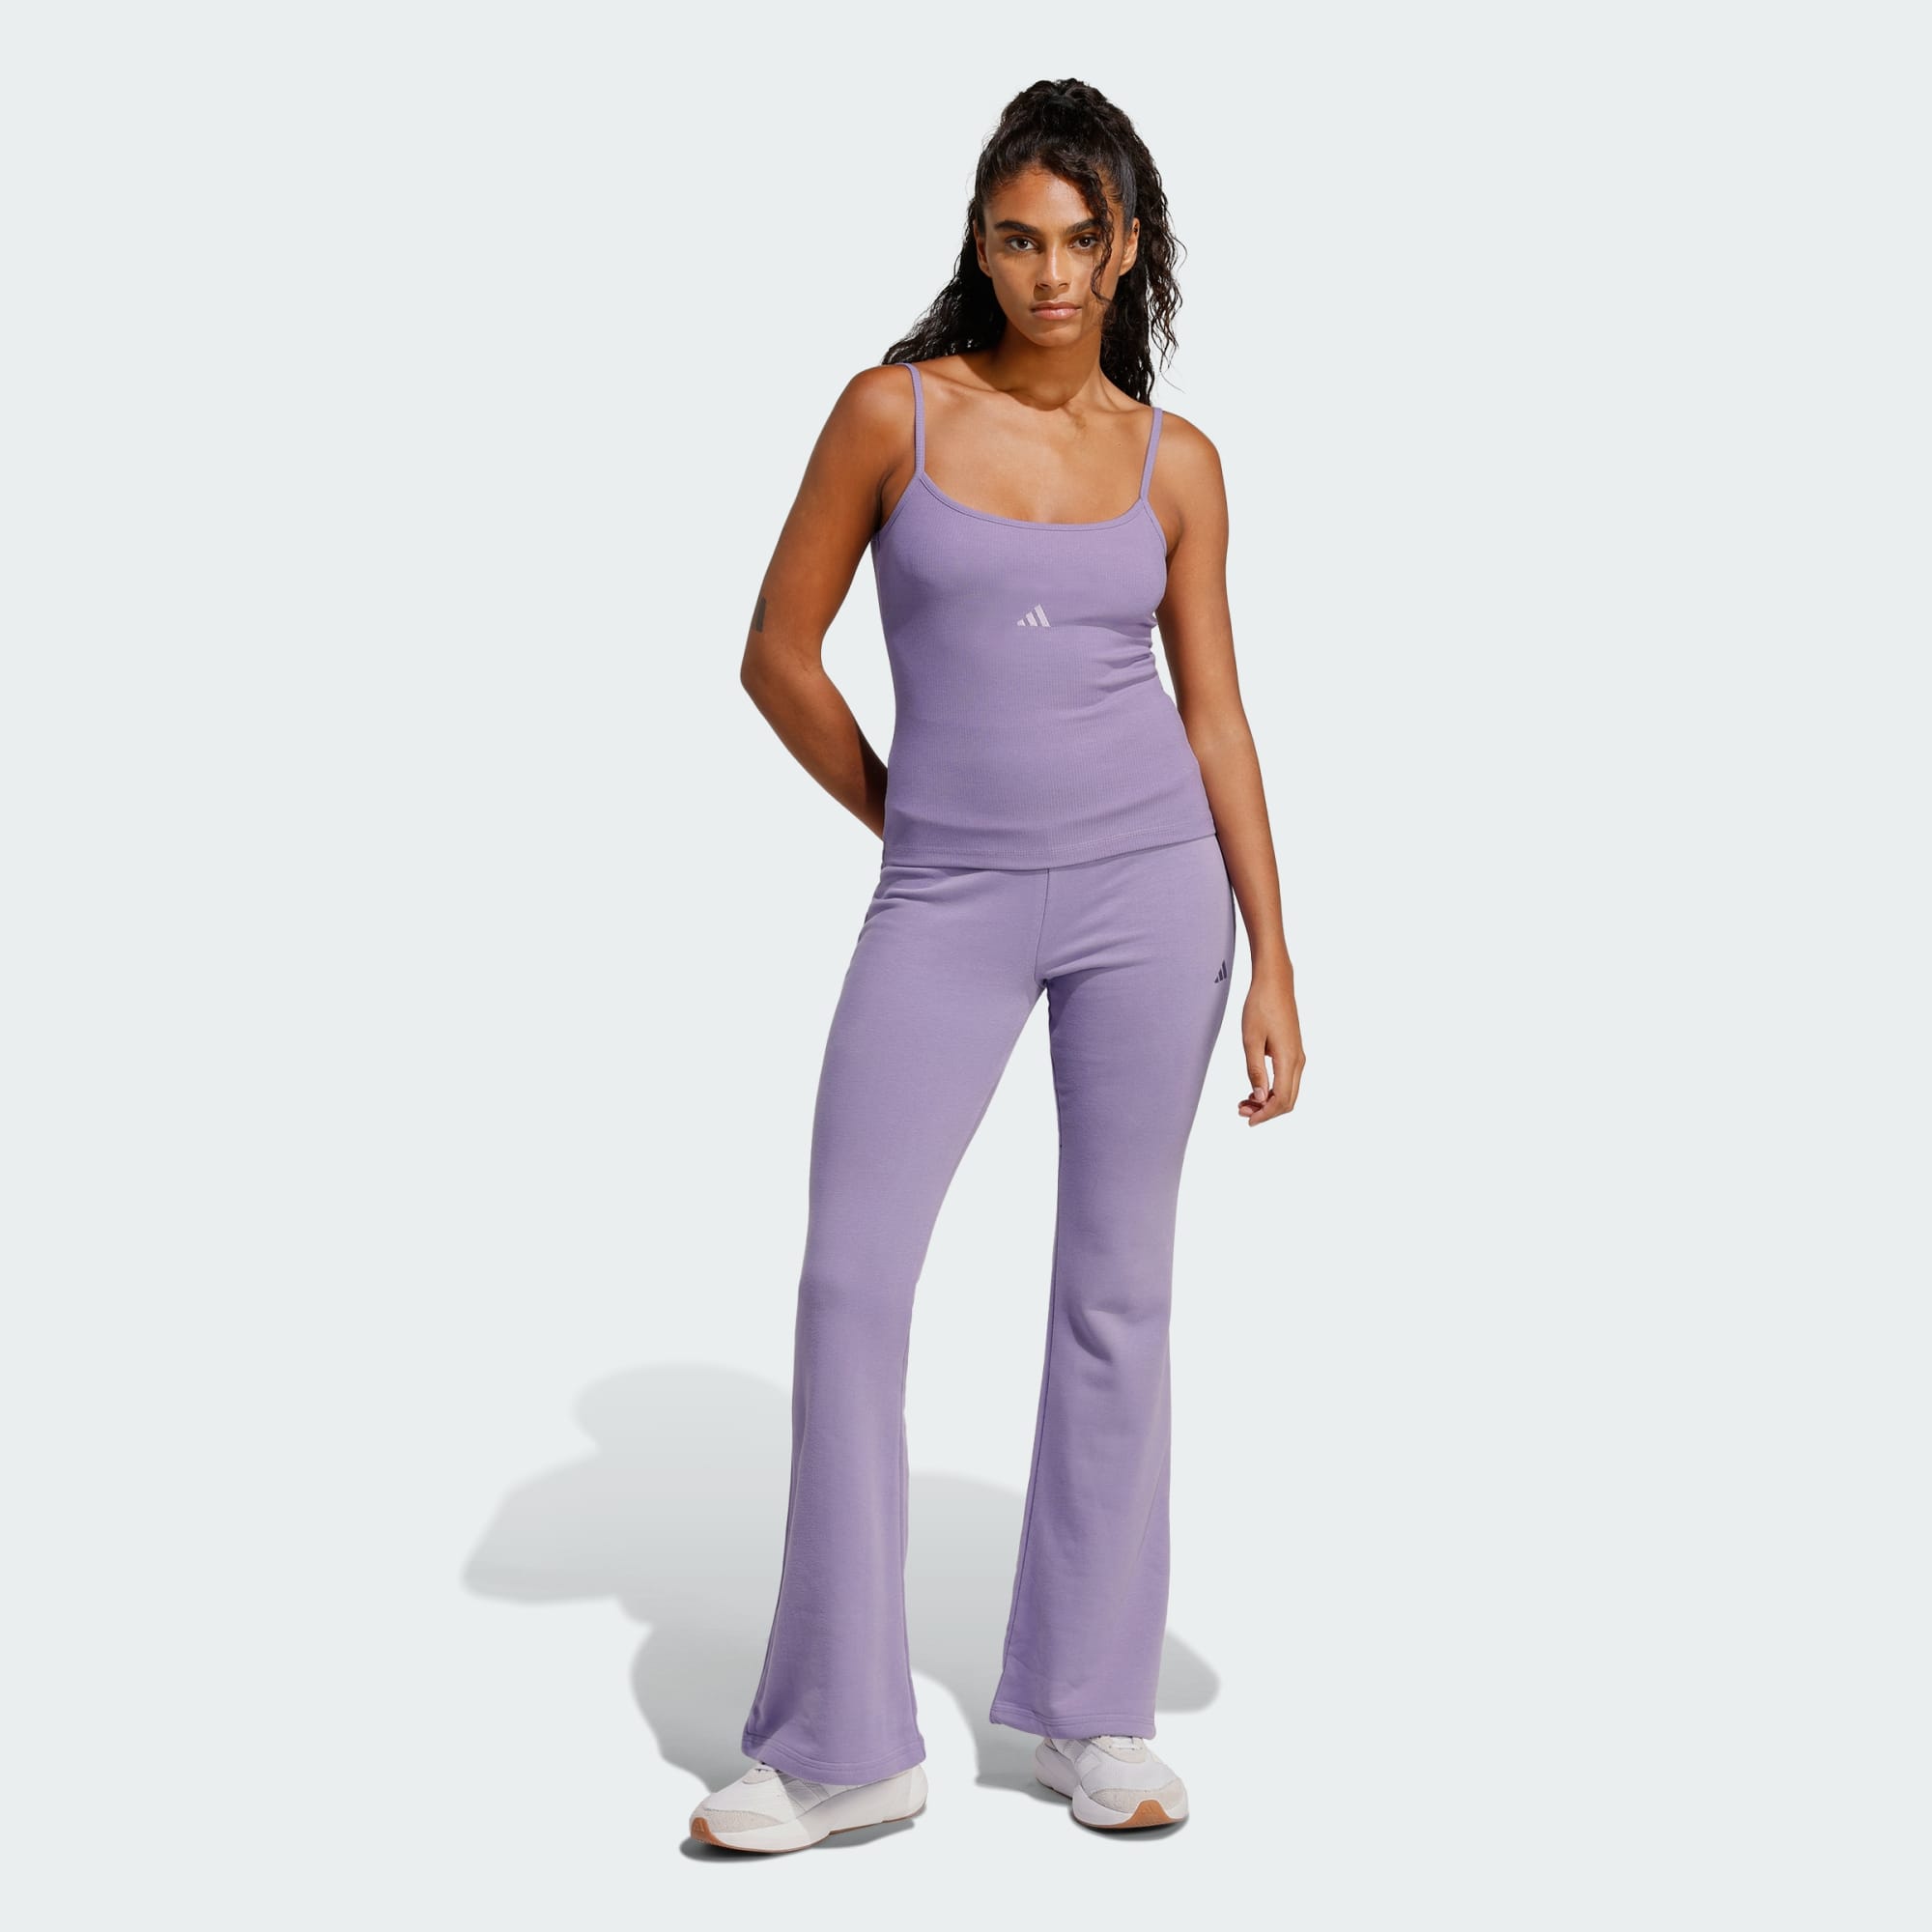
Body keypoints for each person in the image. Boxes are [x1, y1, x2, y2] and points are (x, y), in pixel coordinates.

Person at [691, 77, 1305, 1854]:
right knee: (850, 1286)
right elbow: (776, 651)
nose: (1049, 273)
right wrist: (908, 817)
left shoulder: (1175, 463)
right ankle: (840, 1744)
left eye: (1080, 241)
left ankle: (1091, 1714)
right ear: (982, 239)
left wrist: (1276, 955)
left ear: (1129, 250)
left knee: (1117, 1296)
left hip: (1153, 898)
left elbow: (1217, 715)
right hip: (947, 897)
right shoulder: (892, 413)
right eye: (1019, 238)